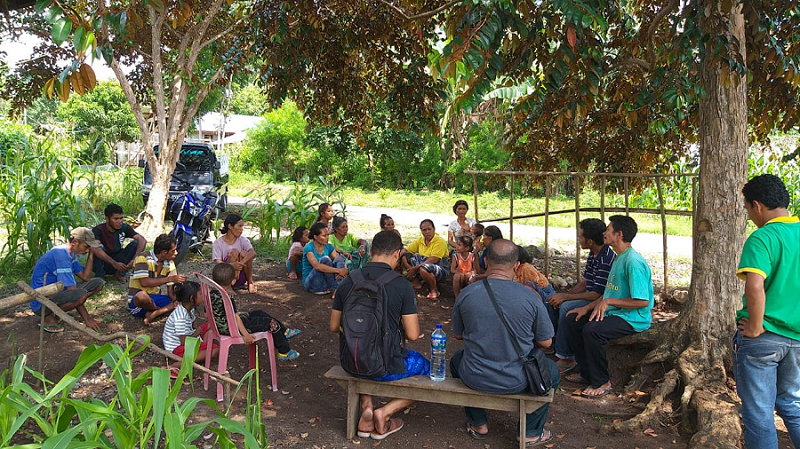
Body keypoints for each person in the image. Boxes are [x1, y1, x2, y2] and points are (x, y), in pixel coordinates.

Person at [451, 239, 559, 446]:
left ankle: (478, 423)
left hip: (475, 376)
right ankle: (530, 432)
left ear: (485, 261)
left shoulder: (466, 294)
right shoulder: (530, 297)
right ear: (517, 265)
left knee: (457, 359)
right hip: (517, 380)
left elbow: (458, 335)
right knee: (551, 371)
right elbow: (546, 342)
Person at [330, 230, 426, 440]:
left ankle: (366, 406)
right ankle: (385, 412)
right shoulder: (401, 285)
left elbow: (334, 326)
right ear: (398, 253)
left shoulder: (349, 280)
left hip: (352, 361)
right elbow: (412, 334)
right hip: (386, 366)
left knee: (363, 349)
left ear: (371, 251)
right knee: (426, 367)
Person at [734, 174, 800, 448]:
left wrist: (755, 325)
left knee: (759, 412)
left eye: (748, 209)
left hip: (765, 337)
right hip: (797, 339)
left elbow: (755, 286)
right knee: (792, 404)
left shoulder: (763, 237)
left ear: (757, 205)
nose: (750, 216)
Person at [563, 215, 653, 398]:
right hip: (616, 313)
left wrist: (608, 302)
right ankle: (586, 373)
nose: (604, 232)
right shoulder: (619, 258)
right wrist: (586, 308)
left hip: (633, 318)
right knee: (573, 319)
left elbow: (642, 301)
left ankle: (602, 381)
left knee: (592, 331)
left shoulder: (633, 261)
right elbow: (609, 293)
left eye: (608, 229)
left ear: (619, 234)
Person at [547, 218, 616, 374]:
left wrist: (566, 298)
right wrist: (564, 294)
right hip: (589, 295)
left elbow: (596, 294)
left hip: (598, 301)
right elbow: (585, 282)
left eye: (580, 237)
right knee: (553, 301)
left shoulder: (606, 259)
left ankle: (567, 356)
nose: (578, 239)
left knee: (566, 307)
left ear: (590, 241)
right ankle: (553, 344)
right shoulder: (594, 253)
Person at [210, 263, 301, 361]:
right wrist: (246, 335)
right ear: (233, 281)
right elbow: (236, 318)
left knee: (259, 312)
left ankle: (284, 331)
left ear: (213, 278)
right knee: (271, 323)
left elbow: (207, 315)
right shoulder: (227, 297)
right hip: (233, 328)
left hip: (222, 326)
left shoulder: (210, 294)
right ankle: (284, 352)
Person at [30, 227, 105, 332]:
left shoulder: (71, 254)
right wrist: (87, 318)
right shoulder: (61, 256)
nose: (87, 250)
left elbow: (85, 277)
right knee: (80, 294)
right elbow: (72, 290)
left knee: (98, 283)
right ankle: (48, 317)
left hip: (56, 293)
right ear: (75, 242)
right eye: (86, 246)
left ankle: (55, 312)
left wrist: (91, 253)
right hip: (41, 302)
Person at [162, 281, 219, 376]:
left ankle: (202, 346)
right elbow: (184, 341)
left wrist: (196, 329)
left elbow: (193, 325)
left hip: (190, 337)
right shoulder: (180, 317)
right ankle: (177, 364)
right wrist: (197, 333)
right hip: (177, 349)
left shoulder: (189, 308)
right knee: (215, 350)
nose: (203, 297)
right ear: (192, 298)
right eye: (200, 294)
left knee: (211, 325)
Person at [128, 234, 185, 325]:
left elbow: (170, 290)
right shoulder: (143, 258)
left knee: (182, 302)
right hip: (137, 303)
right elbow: (144, 282)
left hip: (155, 298)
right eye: (173, 251)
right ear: (164, 252)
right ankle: (158, 310)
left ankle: (155, 313)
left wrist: (176, 301)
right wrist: (170, 278)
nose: (176, 253)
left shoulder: (170, 263)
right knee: (142, 296)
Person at [91, 203, 147, 281]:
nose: (119, 221)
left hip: (118, 259)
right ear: (107, 219)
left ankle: (120, 274)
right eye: (116, 219)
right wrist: (114, 263)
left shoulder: (125, 227)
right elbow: (95, 248)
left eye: (121, 218)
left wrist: (135, 259)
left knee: (136, 243)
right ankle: (99, 276)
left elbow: (142, 240)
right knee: (99, 247)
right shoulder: (98, 230)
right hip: (103, 262)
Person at [401, 219, 450, 300]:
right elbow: (406, 250)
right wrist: (397, 256)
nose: (427, 232)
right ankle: (416, 282)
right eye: (424, 230)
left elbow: (434, 259)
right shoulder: (420, 240)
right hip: (423, 264)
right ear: (421, 231)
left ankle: (434, 290)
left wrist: (415, 268)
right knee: (405, 257)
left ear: (434, 229)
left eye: (429, 229)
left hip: (439, 267)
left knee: (423, 268)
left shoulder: (439, 241)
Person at [212, 213, 257, 293]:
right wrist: (232, 265)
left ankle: (250, 282)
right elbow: (218, 262)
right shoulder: (218, 243)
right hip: (225, 277)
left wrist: (240, 263)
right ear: (230, 226)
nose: (241, 229)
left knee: (244, 254)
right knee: (234, 252)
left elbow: (253, 253)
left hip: (240, 276)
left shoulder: (243, 240)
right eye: (239, 226)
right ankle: (228, 285)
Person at [302, 222, 348, 295]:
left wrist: (344, 270)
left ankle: (337, 288)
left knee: (340, 259)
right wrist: (338, 270)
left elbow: (338, 259)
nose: (327, 238)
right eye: (324, 236)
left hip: (325, 283)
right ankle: (336, 288)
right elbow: (317, 266)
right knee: (325, 260)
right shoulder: (309, 248)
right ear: (315, 237)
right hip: (312, 283)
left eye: (328, 235)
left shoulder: (329, 246)